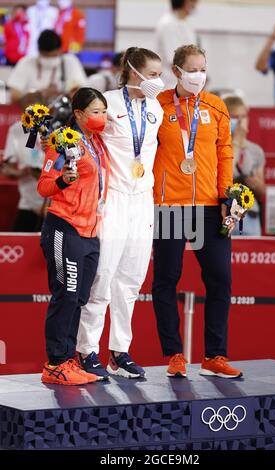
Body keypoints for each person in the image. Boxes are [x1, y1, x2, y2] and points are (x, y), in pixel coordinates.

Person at [152, 44, 242, 379]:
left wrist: (226, 197)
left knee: (220, 279)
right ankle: (174, 354)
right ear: (175, 71)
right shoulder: (158, 105)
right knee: (167, 279)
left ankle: (215, 355)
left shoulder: (217, 107)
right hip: (171, 206)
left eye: (203, 68)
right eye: (192, 69)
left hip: (208, 206)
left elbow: (225, 154)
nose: (198, 75)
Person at [76, 47, 164, 379]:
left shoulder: (155, 106)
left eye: (159, 75)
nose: (158, 81)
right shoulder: (108, 102)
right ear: (132, 72)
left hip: (142, 199)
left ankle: (119, 351)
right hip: (112, 198)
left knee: (131, 279)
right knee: (103, 275)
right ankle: (86, 350)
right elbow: (80, 131)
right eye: (153, 75)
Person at [37, 87, 108, 386]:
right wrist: (64, 182)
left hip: (91, 231)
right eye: (95, 112)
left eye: (104, 112)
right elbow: (44, 185)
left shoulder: (97, 144)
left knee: (78, 298)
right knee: (65, 295)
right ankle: (55, 363)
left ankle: (68, 359)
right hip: (64, 226)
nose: (102, 117)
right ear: (78, 114)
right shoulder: (63, 142)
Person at [8, 29, 87, 105]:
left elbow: (82, 93)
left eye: (54, 56)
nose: (49, 60)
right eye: (45, 56)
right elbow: (14, 96)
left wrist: (61, 95)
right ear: (38, 51)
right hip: (32, 114)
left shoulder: (70, 62)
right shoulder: (25, 63)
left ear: (61, 50)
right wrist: (39, 95)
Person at [223, 95, 266, 236]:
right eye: (235, 117)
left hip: (250, 214)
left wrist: (256, 185)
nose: (241, 122)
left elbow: (262, 191)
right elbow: (226, 175)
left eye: (244, 116)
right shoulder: (217, 147)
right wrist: (236, 142)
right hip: (225, 213)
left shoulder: (256, 150)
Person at [1, 98, 45, 232]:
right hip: (28, 202)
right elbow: (6, 167)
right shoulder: (16, 129)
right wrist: (21, 172)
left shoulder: (56, 127)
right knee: (21, 241)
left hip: (54, 203)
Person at [155, 0, 199, 89]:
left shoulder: (186, 23)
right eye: (193, 2)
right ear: (186, 2)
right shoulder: (168, 24)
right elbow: (174, 58)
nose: (195, 5)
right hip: (170, 83)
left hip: (185, 82)